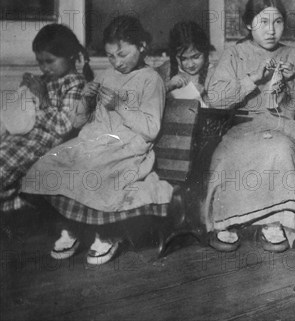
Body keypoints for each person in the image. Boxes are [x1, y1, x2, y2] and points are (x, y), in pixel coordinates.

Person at [22, 16, 173, 265]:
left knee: (92, 169)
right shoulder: (106, 74)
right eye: (111, 55)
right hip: (95, 140)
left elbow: (151, 129)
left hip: (127, 148)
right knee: (51, 161)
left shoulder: (151, 79)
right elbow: (79, 123)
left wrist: (120, 106)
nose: (117, 62)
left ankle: (108, 234)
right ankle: (71, 226)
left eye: (122, 54)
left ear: (143, 46)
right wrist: (84, 99)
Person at [203, 0, 295, 253]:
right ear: (249, 24)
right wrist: (252, 77)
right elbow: (216, 98)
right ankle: (226, 221)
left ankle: (274, 221)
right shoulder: (235, 54)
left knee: (280, 150)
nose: (271, 30)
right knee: (226, 155)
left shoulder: (294, 56)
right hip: (242, 129)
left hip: (282, 128)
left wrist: (294, 80)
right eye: (263, 22)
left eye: (277, 22)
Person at [0, 24, 90, 211]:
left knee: (3, 171)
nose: (44, 68)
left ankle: (17, 208)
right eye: (40, 62)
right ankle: (15, 207)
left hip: (39, 144)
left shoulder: (75, 84)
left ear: (71, 55)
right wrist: (25, 91)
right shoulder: (47, 80)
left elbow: (64, 126)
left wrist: (42, 98)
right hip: (20, 138)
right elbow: (22, 115)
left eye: (49, 61)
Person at [164, 21, 215, 106]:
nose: (190, 64)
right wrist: (168, 86)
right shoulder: (166, 69)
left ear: (205, 52)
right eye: (183, 59)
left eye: (196, 57)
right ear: (174, 56)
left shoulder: (214, 73)